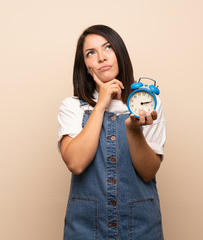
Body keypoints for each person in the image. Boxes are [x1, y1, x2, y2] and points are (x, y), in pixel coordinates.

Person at [58, 24, 166, 240]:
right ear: (85, 66)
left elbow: (148, 172)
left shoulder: (147, 103)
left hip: (140, 227)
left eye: (108, 48)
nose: (101, 58)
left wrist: (134, 131)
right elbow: (76, 163)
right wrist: (100, 106)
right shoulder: (72, 106)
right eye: (91, 53)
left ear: (120, 53)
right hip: (86, 228)